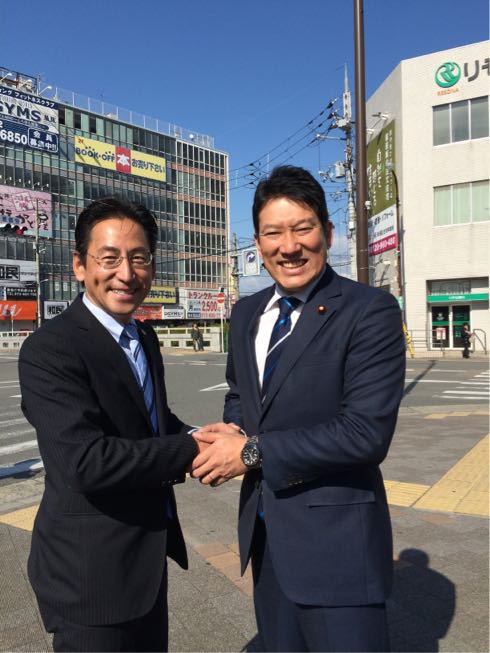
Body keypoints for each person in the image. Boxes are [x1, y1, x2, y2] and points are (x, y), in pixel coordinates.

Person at [191, 165, 406, 652]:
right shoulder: (247, 312)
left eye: (302, 228)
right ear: (257, 242)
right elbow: (240, 393)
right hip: (266, 536)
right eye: (273, 233)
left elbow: (364, 434)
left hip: (338, 546)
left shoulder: (369, 310)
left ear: (326, 232)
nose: (289, 246)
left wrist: (248, 452)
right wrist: (231, 432)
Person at [19, 198, 202, 652]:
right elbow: (84, 462)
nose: (126, 273)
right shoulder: (50, 348)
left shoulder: (143, 335)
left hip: (145, 561)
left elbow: (151, 420)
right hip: (89, 576)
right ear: (80, 266)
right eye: (110, 258)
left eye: (139, 258)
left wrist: (197, 435)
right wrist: (195, 451)